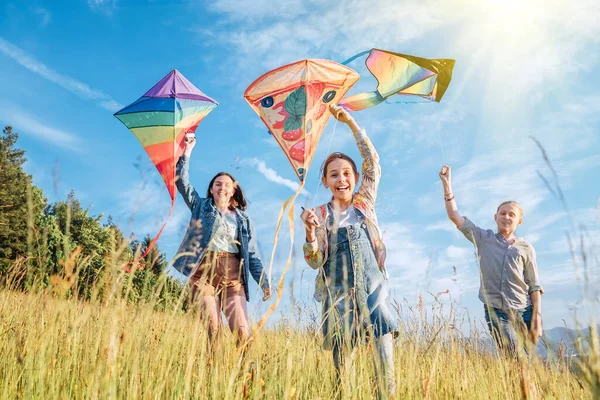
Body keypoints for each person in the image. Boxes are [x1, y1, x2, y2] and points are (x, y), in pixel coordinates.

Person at [301, 104, 398, 395]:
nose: (341, 179)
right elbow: (315, 260)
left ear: (355, 177)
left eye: (346, 173)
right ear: (325, 182)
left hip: (373, 290)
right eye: (334, 175)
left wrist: (351, 123)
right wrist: (310, 233)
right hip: (337, 297)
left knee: (384, 356)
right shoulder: (319, 214)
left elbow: (373, 161)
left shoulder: (364, 202)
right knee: (342, 370)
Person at [173, 133, 271, 346]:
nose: (222, 187)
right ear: (211, 189)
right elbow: (181, 182)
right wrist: (187, 150)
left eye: (227, 185)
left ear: (233, 190)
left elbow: (251, 255)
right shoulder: (201, 207)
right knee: (212, 329)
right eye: (217, 184)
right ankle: (212, 374)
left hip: (233, 276)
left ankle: (246, 375)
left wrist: (263, 281)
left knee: (242, 333)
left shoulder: (244, 221)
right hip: (203, 273)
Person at [438, 165, 543, 355]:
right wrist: (447, 185)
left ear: (519, 221)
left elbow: (534, 285)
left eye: (512, 214)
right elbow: (455, 216)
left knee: (525, 364)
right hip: (497, 311)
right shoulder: (483, 238)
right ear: (495, 217)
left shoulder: (526, 248)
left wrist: (536, 317)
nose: (506, 217)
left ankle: (530, 386)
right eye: (502, 213)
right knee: (516, 357)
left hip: (524, 311)